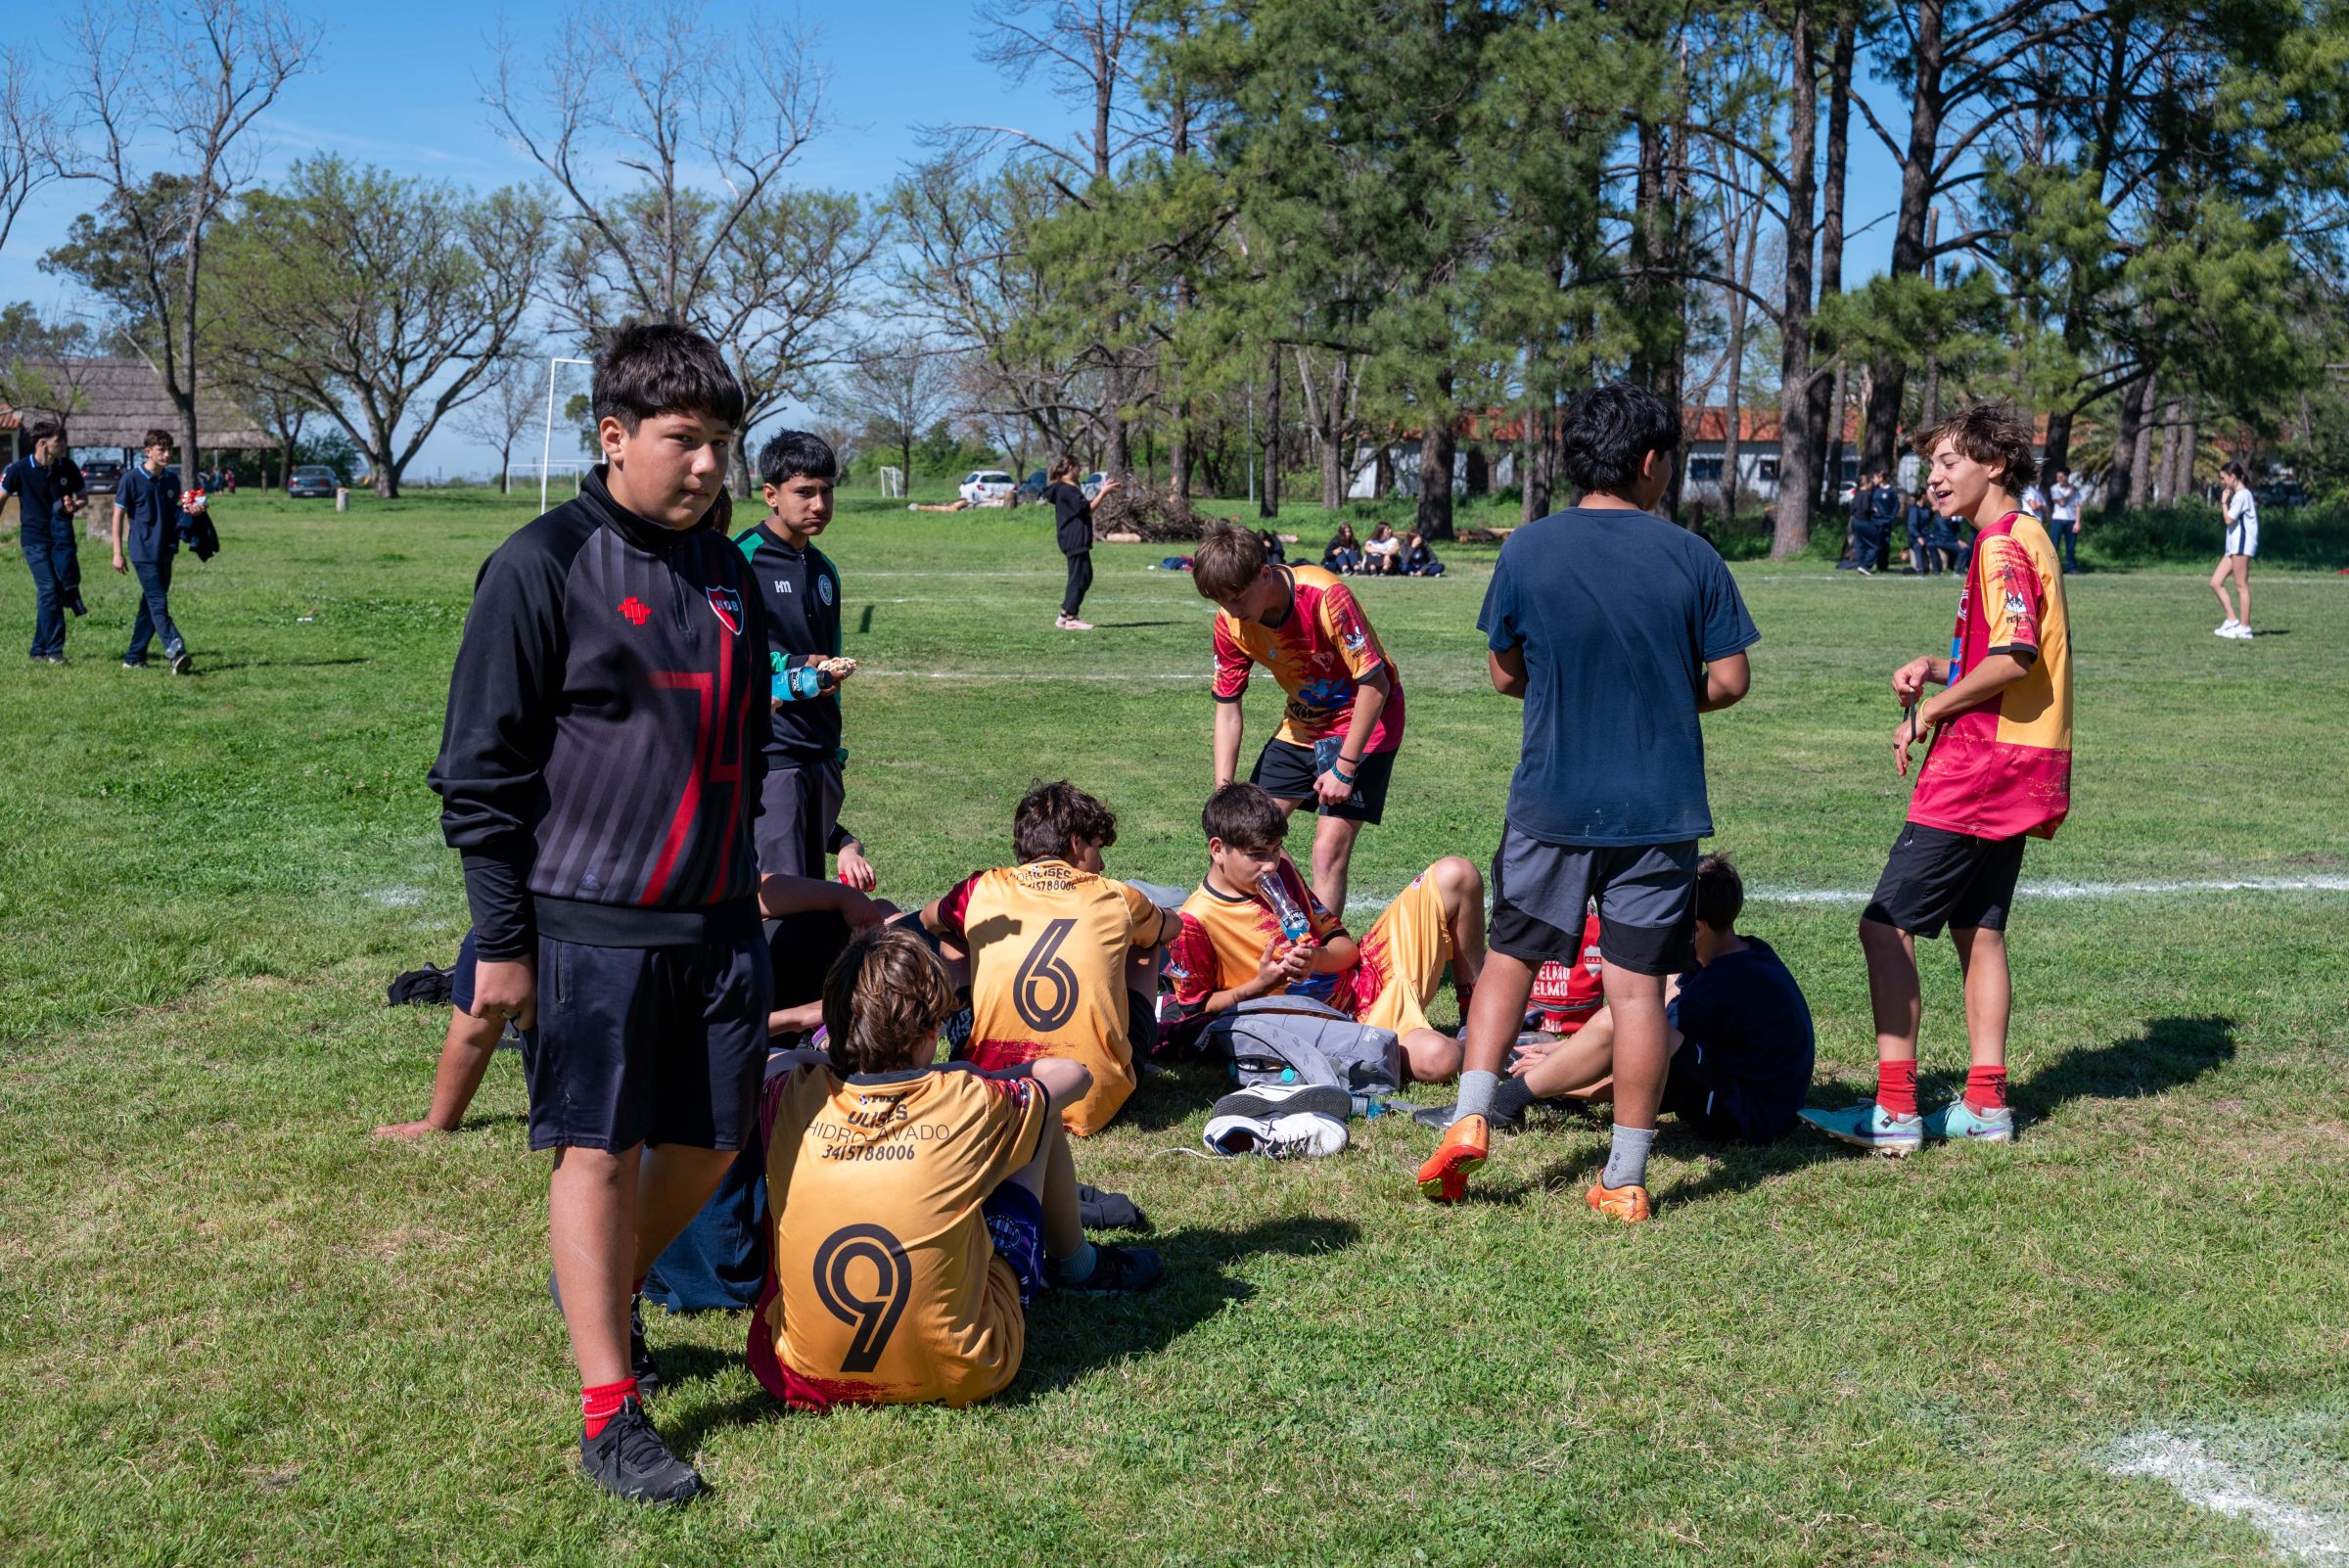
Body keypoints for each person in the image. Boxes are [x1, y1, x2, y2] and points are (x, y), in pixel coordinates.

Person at [429, 323, 773, 1504]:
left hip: (721, 921)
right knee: (599, 1150)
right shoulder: (541, 564)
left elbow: (749, 737)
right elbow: (479, 773)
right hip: (590, 923)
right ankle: (610, 1411)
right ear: (615, 436)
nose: (708, 466)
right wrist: (503, 943)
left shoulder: (729, 573)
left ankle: (603, 1289)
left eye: (721, 443)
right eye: (684, 440)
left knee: (715, 1139)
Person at [1417, 381, 1756, 1222]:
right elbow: (1729, 680)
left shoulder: (1527, 550)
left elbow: (1504, 674)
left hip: (1551, 800)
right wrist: (1667, 697)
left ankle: (1469, 1119)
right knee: (1636, 992)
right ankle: (1626, 1175)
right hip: (1658, 810)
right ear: (1651, 461)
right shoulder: (1692, 555)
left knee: (1509, 959)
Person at [1800, 403, 2072, 1156]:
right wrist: (1937, 665)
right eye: (1931, 468)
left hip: (1983, 762)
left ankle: (1894, 1111)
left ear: (1995, 464)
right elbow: (2009, 653)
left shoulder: (1999, 545)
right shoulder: (2028, 536)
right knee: (1978, 928)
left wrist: (1928, 712)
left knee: (1884, 924)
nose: (1935, 480)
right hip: (2025, 761)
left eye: (1950, 463)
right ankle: (1985, 1105)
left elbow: (2013, 657)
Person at [750, 926, 1162, 1411]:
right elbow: (1072, 1075)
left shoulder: (789, 1096)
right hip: (968, 1368)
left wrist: (817, 1049)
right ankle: (1077, 1266)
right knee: (1039, 1113)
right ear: (931, 1031)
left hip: (801, 1374)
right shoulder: (966, 1098)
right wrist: (966, 1074)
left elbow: (771, 1061)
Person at [1420, 856, 1814, 1146]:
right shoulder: (1739, 954)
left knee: (1630, 1024)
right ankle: (1533, 1087)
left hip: (1747, 1120)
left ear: (1696, 929)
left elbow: (1647, 1064)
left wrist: (1559, 1083)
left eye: (1665, 923)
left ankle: (1506, 1100)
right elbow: (1667, 1009)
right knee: (1643, 1008)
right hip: (1750, 1096)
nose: (1658, 930)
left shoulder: (1723, 985)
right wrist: (1562, 1053)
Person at [1165, 782, 1486, 1084]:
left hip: (1367, 980)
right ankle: (1488, 1051)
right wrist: (1260, 985)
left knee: (1458, 874)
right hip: (1339, 1031)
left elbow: (1347, 950)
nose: (1270, 865)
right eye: (1257, 853)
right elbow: (1197, 1013)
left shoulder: (1281, 872)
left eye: (1276, 849)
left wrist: (1316, 959)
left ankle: (1478, 1018)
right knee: (1439, 1059)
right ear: (1218, 849)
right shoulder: (1194, 921)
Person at [920, 781, 1177, 1136]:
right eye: (1097, 848)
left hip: (994, 1086)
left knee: (952, 936)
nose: (1101, 864)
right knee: (1146, 944)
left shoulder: (982, 888)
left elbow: (928, 920)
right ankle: (1116, 1056)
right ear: (1075, 842)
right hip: (1092, 1098)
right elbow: (1172, 927)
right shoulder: (1116, 895)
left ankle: (969, 1035)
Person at [1190, 522, 1405, 917]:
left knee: (1327, 850)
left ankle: (1326, 952)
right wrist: (1224, 793)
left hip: (1366, 721)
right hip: (1303, 723)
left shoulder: (1325, 597)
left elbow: (1376, 685)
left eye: (1238, 598)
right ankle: (1259, 934)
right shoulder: (1230, 622)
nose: (1232, 611)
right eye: (1221, 602)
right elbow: (1228, 708)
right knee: (1241, 835)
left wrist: (1345, 767)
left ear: (1264, 575)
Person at [733, 430, 875, 888]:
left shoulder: (824, 568)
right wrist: (794, 667)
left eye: (827, 491)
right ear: (771, 495)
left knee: (809, 888)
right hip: (774, 755)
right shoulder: (740, 561)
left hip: (821, 753)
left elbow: (827, 654)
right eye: (805, 492)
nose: (819, 504)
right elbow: (728, 656)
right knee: (778, 892)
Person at [110, 428, 195, 674]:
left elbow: (174, 513)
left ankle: (134, 658)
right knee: (158, 602)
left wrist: (192, 510)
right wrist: (117, 552)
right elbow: (118, 515)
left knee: (149, 605)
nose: (167, 455)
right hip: (143, 551)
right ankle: (176, 652)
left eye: (169, 450)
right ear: (148, 452)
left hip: (166, 549)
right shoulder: (131, 479)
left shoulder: (171, 480)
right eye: (161, 450)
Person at [4, 421, 87, 663]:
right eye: (58, 441)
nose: (63, 445)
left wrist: (73, 506)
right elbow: (1, 496)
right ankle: (55, 651)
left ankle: (38, 650)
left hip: (61, 539)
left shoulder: (67, 467)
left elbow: (83, 497)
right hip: (34, 539)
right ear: (43, 443)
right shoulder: (19, 469)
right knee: (49, 588)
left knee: (54, 591)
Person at [1045, 456, 1116, 631]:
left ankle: (1064, 615)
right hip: (1073, 537)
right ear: (1070, 467)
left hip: (1073, 537)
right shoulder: (1066, 489)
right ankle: (1071, 618)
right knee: (1080, 577)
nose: (1080, 471)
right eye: (1078, 467)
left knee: (1083, 575)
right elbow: (1087, 509)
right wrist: (1103, 493)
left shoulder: (1066, 487)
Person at [2213, 461, 2257, 640]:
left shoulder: (2242, 495)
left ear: (2232, 477)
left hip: (2241, 545)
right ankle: (2232, 621)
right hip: (2233, 547)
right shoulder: (2239, 495)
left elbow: (2229, 520)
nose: (2222, 482)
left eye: (2223, 478)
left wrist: (2224, 502)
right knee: (2215, 582)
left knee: (2241, 585)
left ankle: (2245, 628)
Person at [2050, 467, 2081, 574]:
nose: (2058, 479)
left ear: (2067, 477)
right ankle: (2053, 568)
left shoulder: (2075, 489)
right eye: (2057, 477)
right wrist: (2070, 493)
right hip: (2057, 520)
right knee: (2054, 545)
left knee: (2071, 546)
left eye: (2061, 477)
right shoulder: (2054, 488)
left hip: (2071, 520)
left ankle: (2071, 568)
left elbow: (2077, 506)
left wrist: (2077, 522)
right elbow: (2062, 503)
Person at [1902, 482, 1937, 576]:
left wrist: (1932, 512)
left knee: (1932, 544)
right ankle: (1920, 570)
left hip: (1925, 534)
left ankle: (1936, 570)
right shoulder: (1913, 509)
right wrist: (1918, 537)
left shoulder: (1926, 508)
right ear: (1923, 496)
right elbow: (1911, 526)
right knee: (1918, 546)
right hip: (1915, 536)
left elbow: (1927, 519)